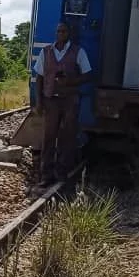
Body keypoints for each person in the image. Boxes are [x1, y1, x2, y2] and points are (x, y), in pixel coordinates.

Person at [34, 22, 93, 186]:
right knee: (49, 137)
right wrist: (39, 101)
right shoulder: (46, 51)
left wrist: (71, 81)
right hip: (51, 100)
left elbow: (88, 75)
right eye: (59, 31)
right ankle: (46, 174)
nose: (61, 34)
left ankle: (62, 172)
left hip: (69, 100)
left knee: (67, 137)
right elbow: (39, 78)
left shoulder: (78, 51)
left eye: (64, 31)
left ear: (69, 33)